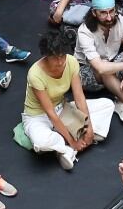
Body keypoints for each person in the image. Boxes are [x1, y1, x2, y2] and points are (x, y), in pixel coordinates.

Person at [22, 26, 113, 170]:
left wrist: (88, 127)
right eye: (55, 58)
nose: (60, 62)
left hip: (63, 108)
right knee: (41, 142)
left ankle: (69, 145)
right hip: (38, 116)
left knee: (108, 104)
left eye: (62, 56)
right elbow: (50, 114)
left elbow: (79, 97)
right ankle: (69, 146)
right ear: (46, 56)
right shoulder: (35, 74)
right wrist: (72, 142)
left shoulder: (71, 61)